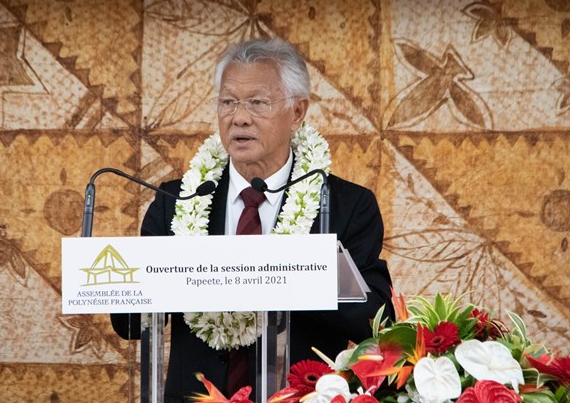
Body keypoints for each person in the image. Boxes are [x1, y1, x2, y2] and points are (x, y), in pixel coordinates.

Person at [112, 37, 394, 402]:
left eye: (258, 102)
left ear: (297, 113)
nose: (239, 117)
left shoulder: (346, 205)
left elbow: (377, 320)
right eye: (228, 102)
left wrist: (300, 273)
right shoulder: (176, 200)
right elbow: (130, 324)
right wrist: (132, 281)